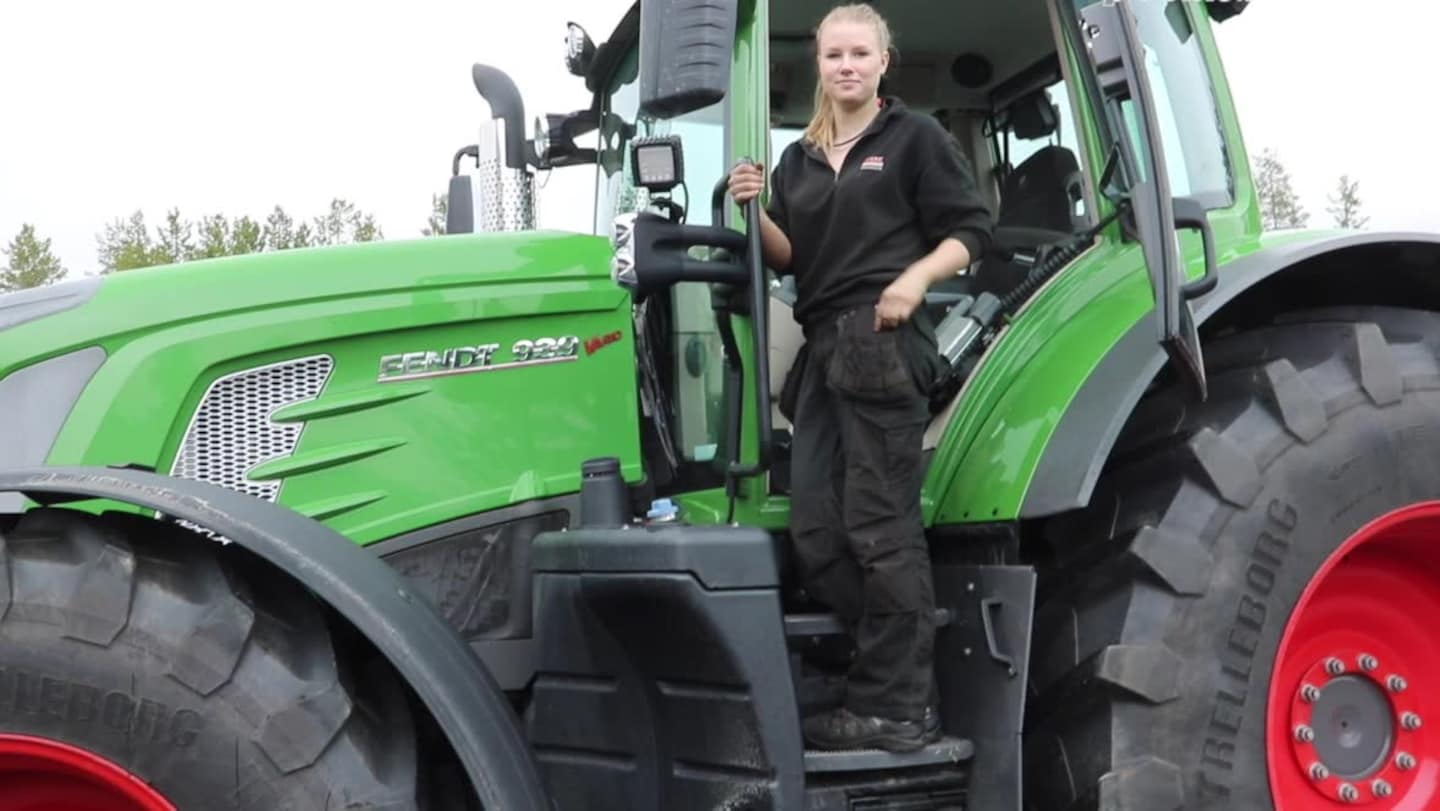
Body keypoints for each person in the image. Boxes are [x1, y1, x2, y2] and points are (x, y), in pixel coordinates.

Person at [728, 3, 993, 752]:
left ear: (883, 62)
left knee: (881, 530)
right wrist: (754, 207)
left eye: (859, 54)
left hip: (883, 337)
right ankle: (883, 668)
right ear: (819, 65)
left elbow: (971, 230)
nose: (846, 66)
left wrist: (914, 279)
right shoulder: (800, 159)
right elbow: (792, 258)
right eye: (833, 55)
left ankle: (900, 707)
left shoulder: (913, 139)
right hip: (823, 348)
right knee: (816, 529)